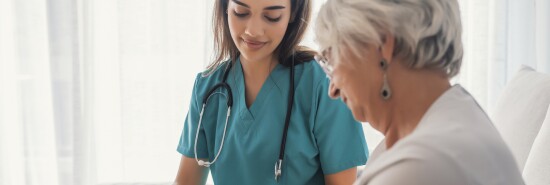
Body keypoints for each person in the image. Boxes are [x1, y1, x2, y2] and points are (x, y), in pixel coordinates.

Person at [313, 0, 525, 184]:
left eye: (332, 59)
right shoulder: (452, 116)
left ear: (382, 44)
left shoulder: (423, 165)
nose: (333, 89)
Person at [174, 0, 368, 184]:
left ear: (293, 13)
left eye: (272, 16)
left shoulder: (324, 84)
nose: (253, 31)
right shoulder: (208, 87)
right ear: (225, 7)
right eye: (241, 13)